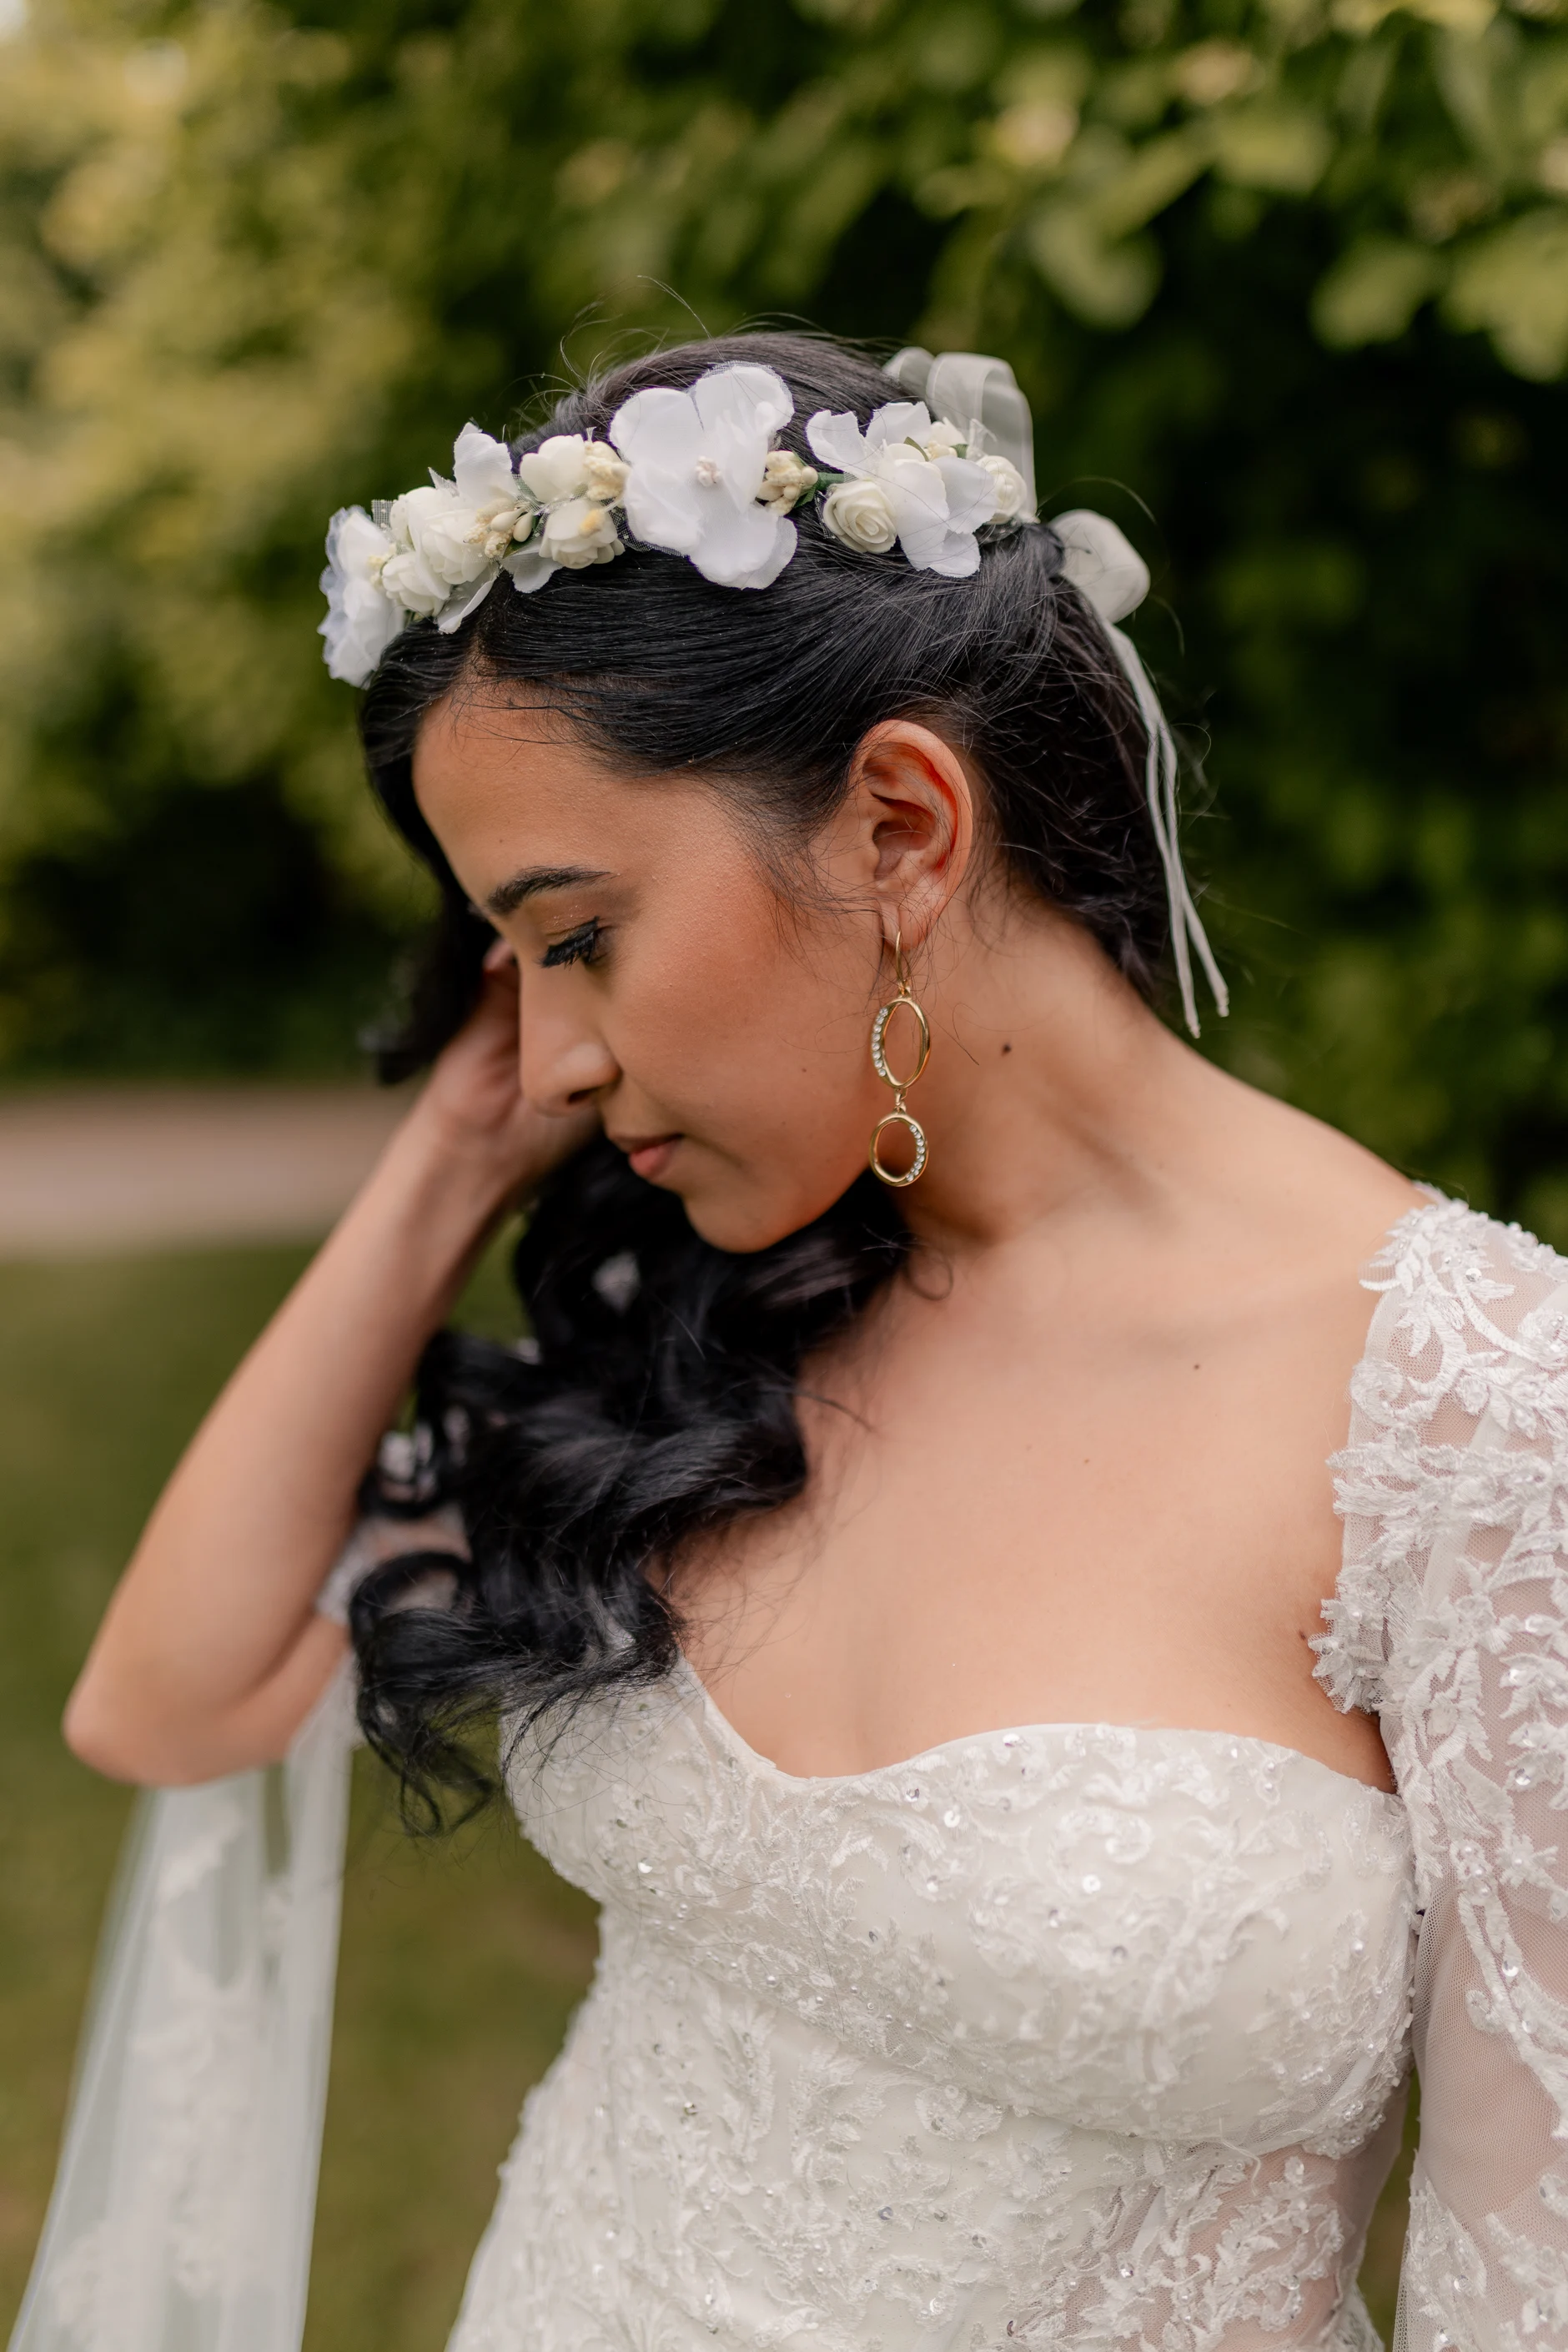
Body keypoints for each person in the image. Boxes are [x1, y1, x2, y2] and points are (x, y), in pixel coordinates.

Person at [25, 334, 1568, 2352]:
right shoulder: (712, 1315)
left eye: (576, 934)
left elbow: (1523, 2273)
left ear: (902, 829)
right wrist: (442, 1171)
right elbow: (170, 1700)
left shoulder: (1473, 1410)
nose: (554, 1048)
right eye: (506, 958)